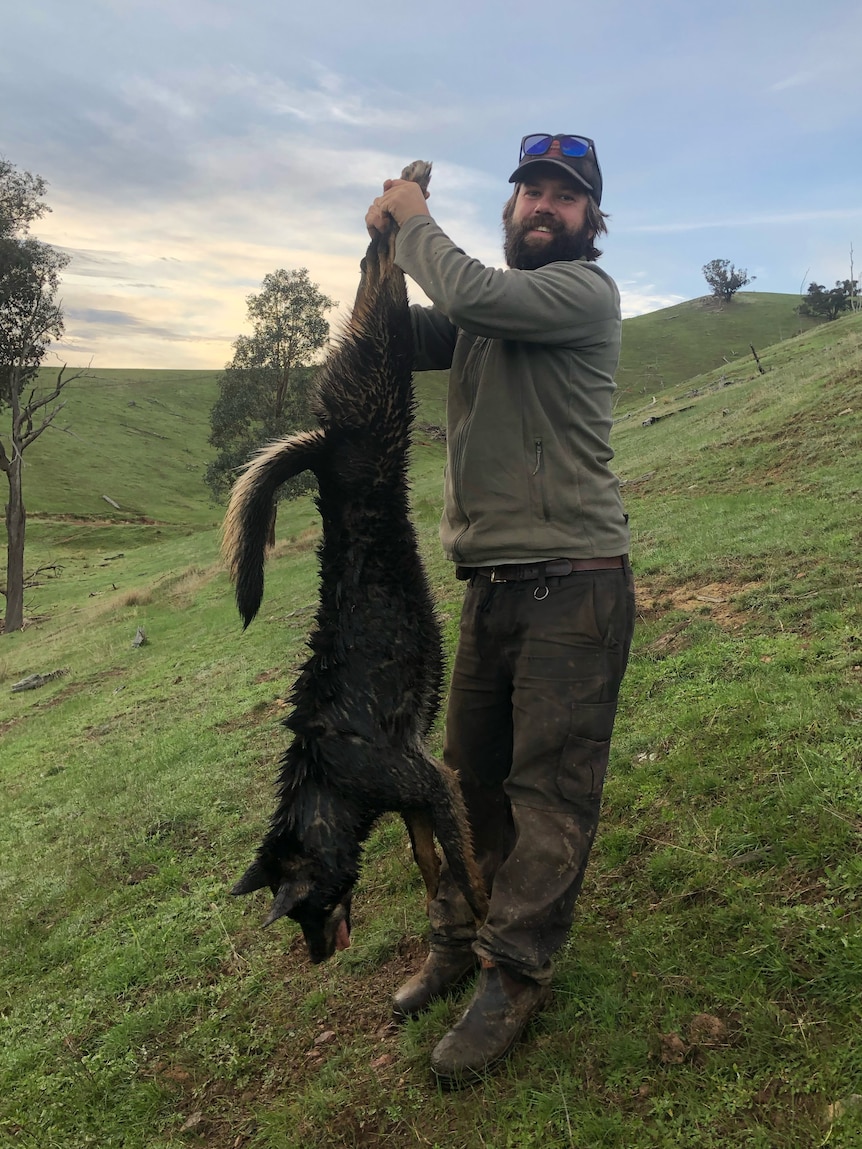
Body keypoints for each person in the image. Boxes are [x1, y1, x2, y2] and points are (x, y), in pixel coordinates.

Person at [365, 133, 636, 1086]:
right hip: (490, 589)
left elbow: (474, 291)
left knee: (550, 796)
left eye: (567, 198)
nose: (545, 208)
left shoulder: (577, 297)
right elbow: (398, 339)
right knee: (468, 782)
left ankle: (514, 974)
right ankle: (457, 936)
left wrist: (412, 225)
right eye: (533, 192)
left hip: (577, 587)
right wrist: (378, 258)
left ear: (590, 221)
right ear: (511, 206)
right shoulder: (483, 315)